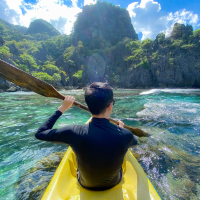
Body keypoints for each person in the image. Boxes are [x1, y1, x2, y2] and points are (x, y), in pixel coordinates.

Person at [35, 82, 137, 191]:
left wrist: (62, 108)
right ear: (110, 105)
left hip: (86, 185)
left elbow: (40, 133)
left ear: (88, 105)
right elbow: (135, 143)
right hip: (114, 183)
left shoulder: (74, 132)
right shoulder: (126, 134)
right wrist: (121, 128)